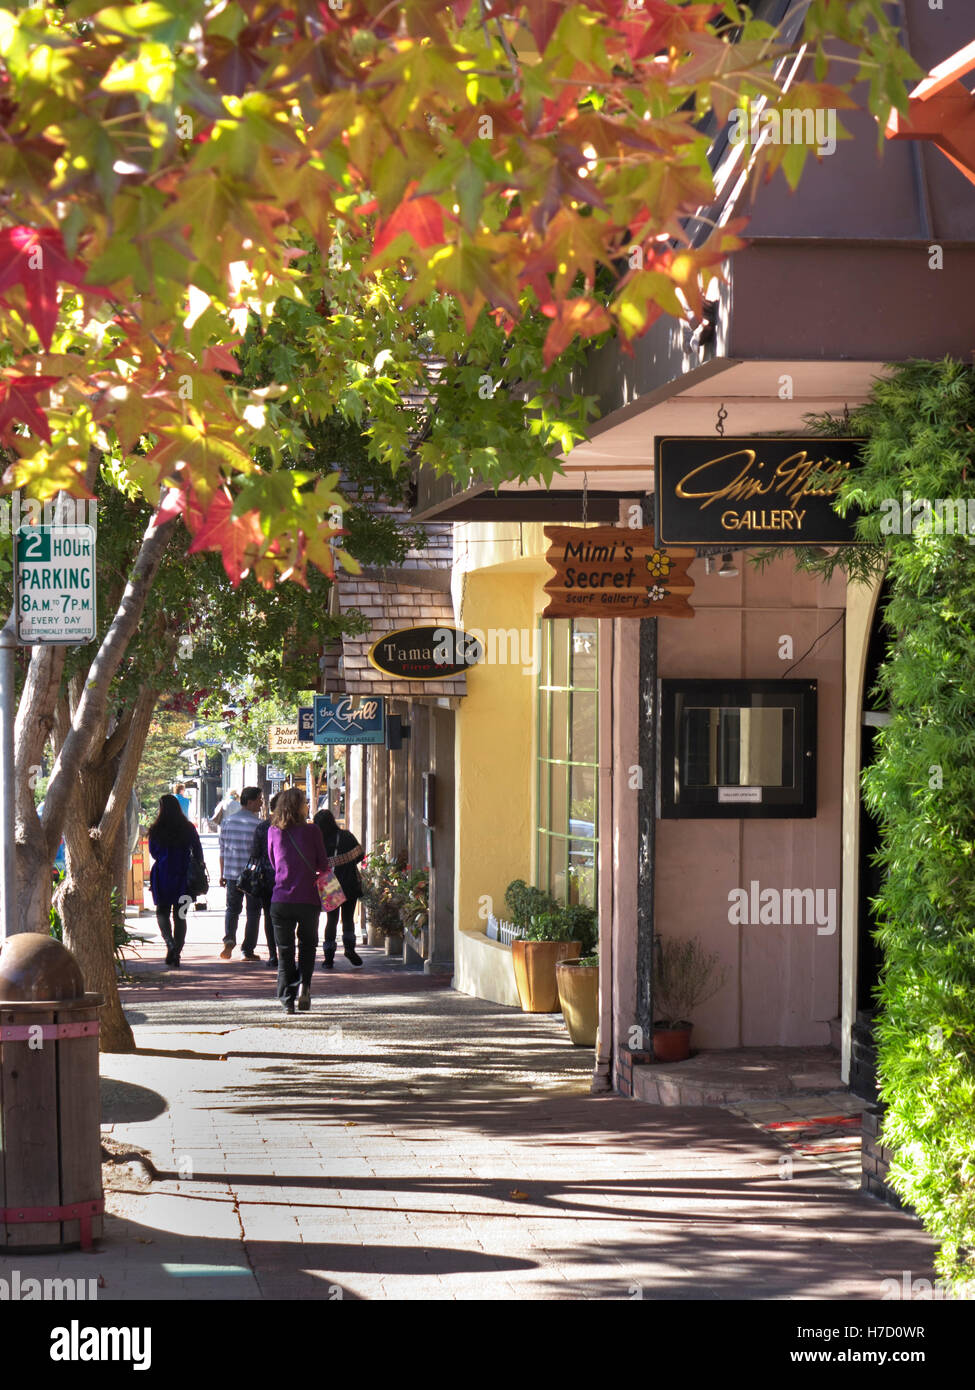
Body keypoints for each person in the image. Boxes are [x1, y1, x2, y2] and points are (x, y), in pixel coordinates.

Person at [267, 787, 329, 1014]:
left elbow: (274, 863)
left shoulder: (273, 831)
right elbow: (323, 864)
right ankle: (305, 985)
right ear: (301, 806)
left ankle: (287, 1000)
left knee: (284, 951)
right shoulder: (313, 831)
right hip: (308, 899)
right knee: (307, 946)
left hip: (281, 898)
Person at [147, 794, 204, 968]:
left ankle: (170, 943)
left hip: (162, 876)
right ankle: (176, 952)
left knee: (162, 911)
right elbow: (198, 850)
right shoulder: (188, 827)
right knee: (180, 916)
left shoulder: (156, 829)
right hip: (184, 878)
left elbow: (153, 852)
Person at [313, 809, 364, 969]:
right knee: (348, 919)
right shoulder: (347, 836)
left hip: (329, 884)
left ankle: (328, 958)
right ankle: (350, 949)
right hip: (349, 883)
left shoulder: (317, 840)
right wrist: (345, 864)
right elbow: (360, 856)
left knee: (331, 920)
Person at [218, 785, 264, 960]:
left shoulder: (227, 822)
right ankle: (248, 949)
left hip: (231, 874)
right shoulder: (258, 825)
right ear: (250, 802)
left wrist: (222, 874)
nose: (261, 803)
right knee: (253, 912)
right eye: (259, 800)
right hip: (253, 876)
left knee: (232, 909)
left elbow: (222, 850)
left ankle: (229, 938)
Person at [250, 792, 280, 969]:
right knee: (290, 917)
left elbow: (254, 854)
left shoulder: (263, 828)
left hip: (267, 879)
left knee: (269, 916)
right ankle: (285, 952)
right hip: (289, 879)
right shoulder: (295, 828)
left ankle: (273, 954)